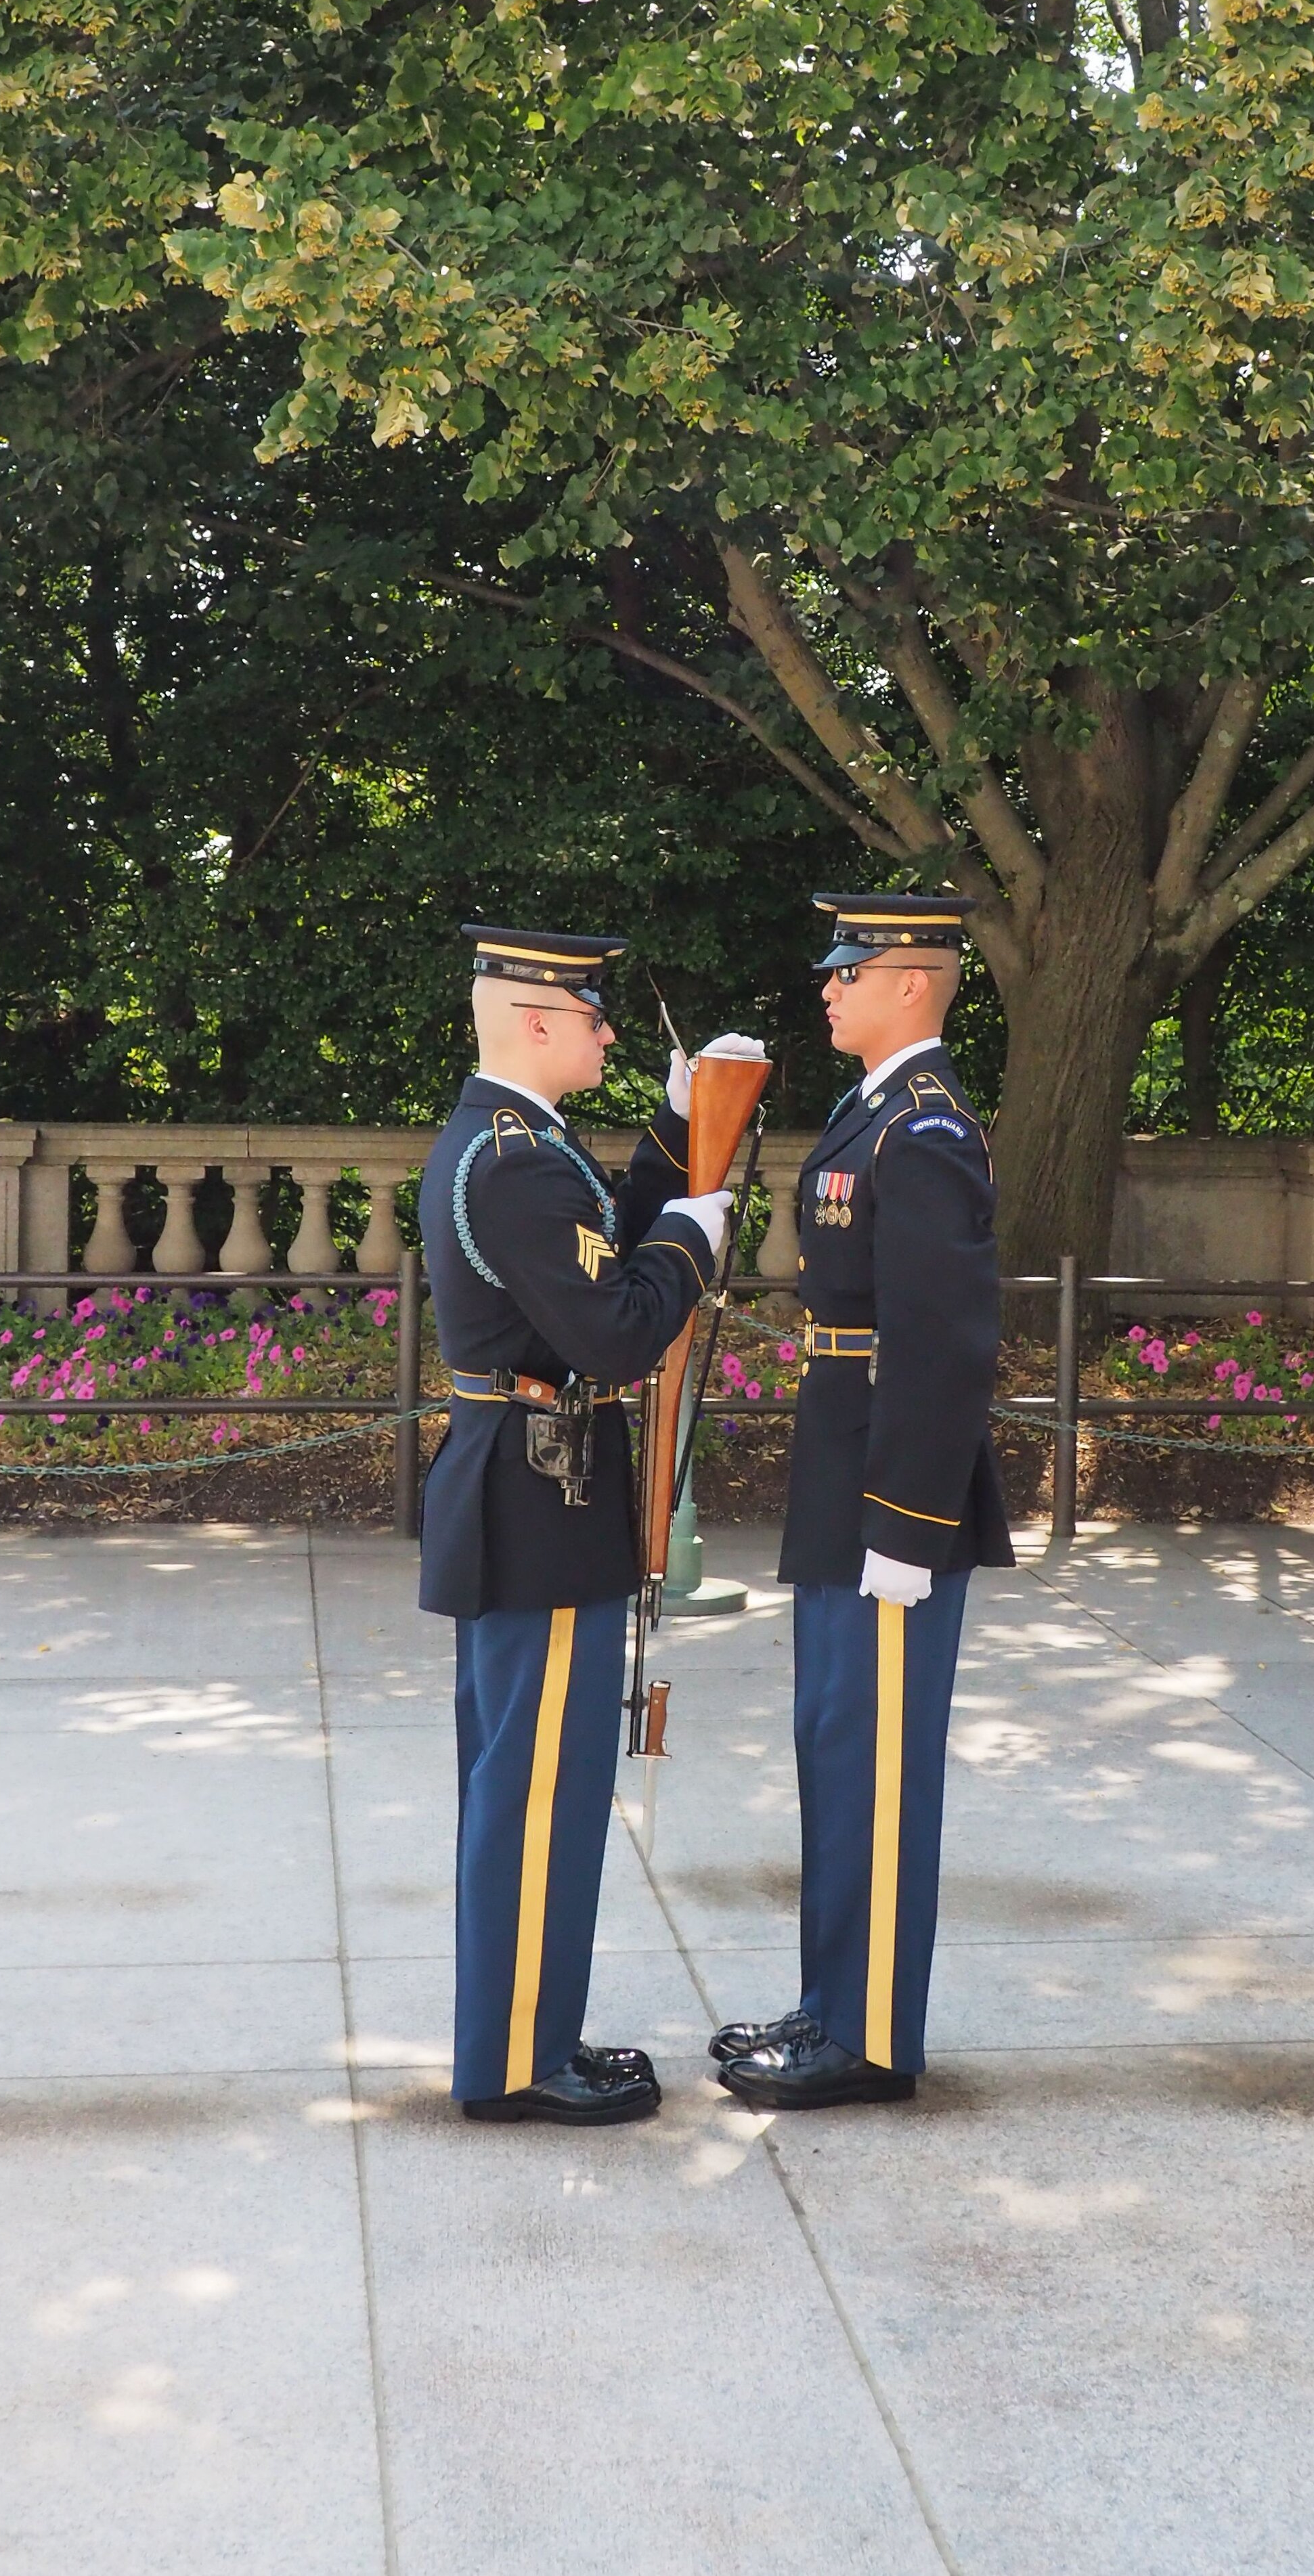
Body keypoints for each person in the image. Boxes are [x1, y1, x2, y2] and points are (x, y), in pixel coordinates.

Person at [418, 925, 738, 2126]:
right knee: (537, 1791)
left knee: (534, 1783)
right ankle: (516, 2062)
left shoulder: (523, 1145)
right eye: (596, 1017)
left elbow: (592, 1248)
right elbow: (612, 1329)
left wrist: (671, 1140)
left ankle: (531, 2036)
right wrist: (694, 1249)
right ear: (537, 1023)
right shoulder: (515, 1163)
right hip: (539, 1499)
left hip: (529, 1488)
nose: (609, 1031)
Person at [711, 894, 1011, 2112]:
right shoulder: (873, 1112)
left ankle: (874, 2037)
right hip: (848, 1468)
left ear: (911, 984)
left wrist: (907, 1527)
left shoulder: (927, 1131)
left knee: (879, 1764)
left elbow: (942, 1348)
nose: (828, 987)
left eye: (851, 970)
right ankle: (833, 2003)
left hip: (890, 1492)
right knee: (837, 1750)